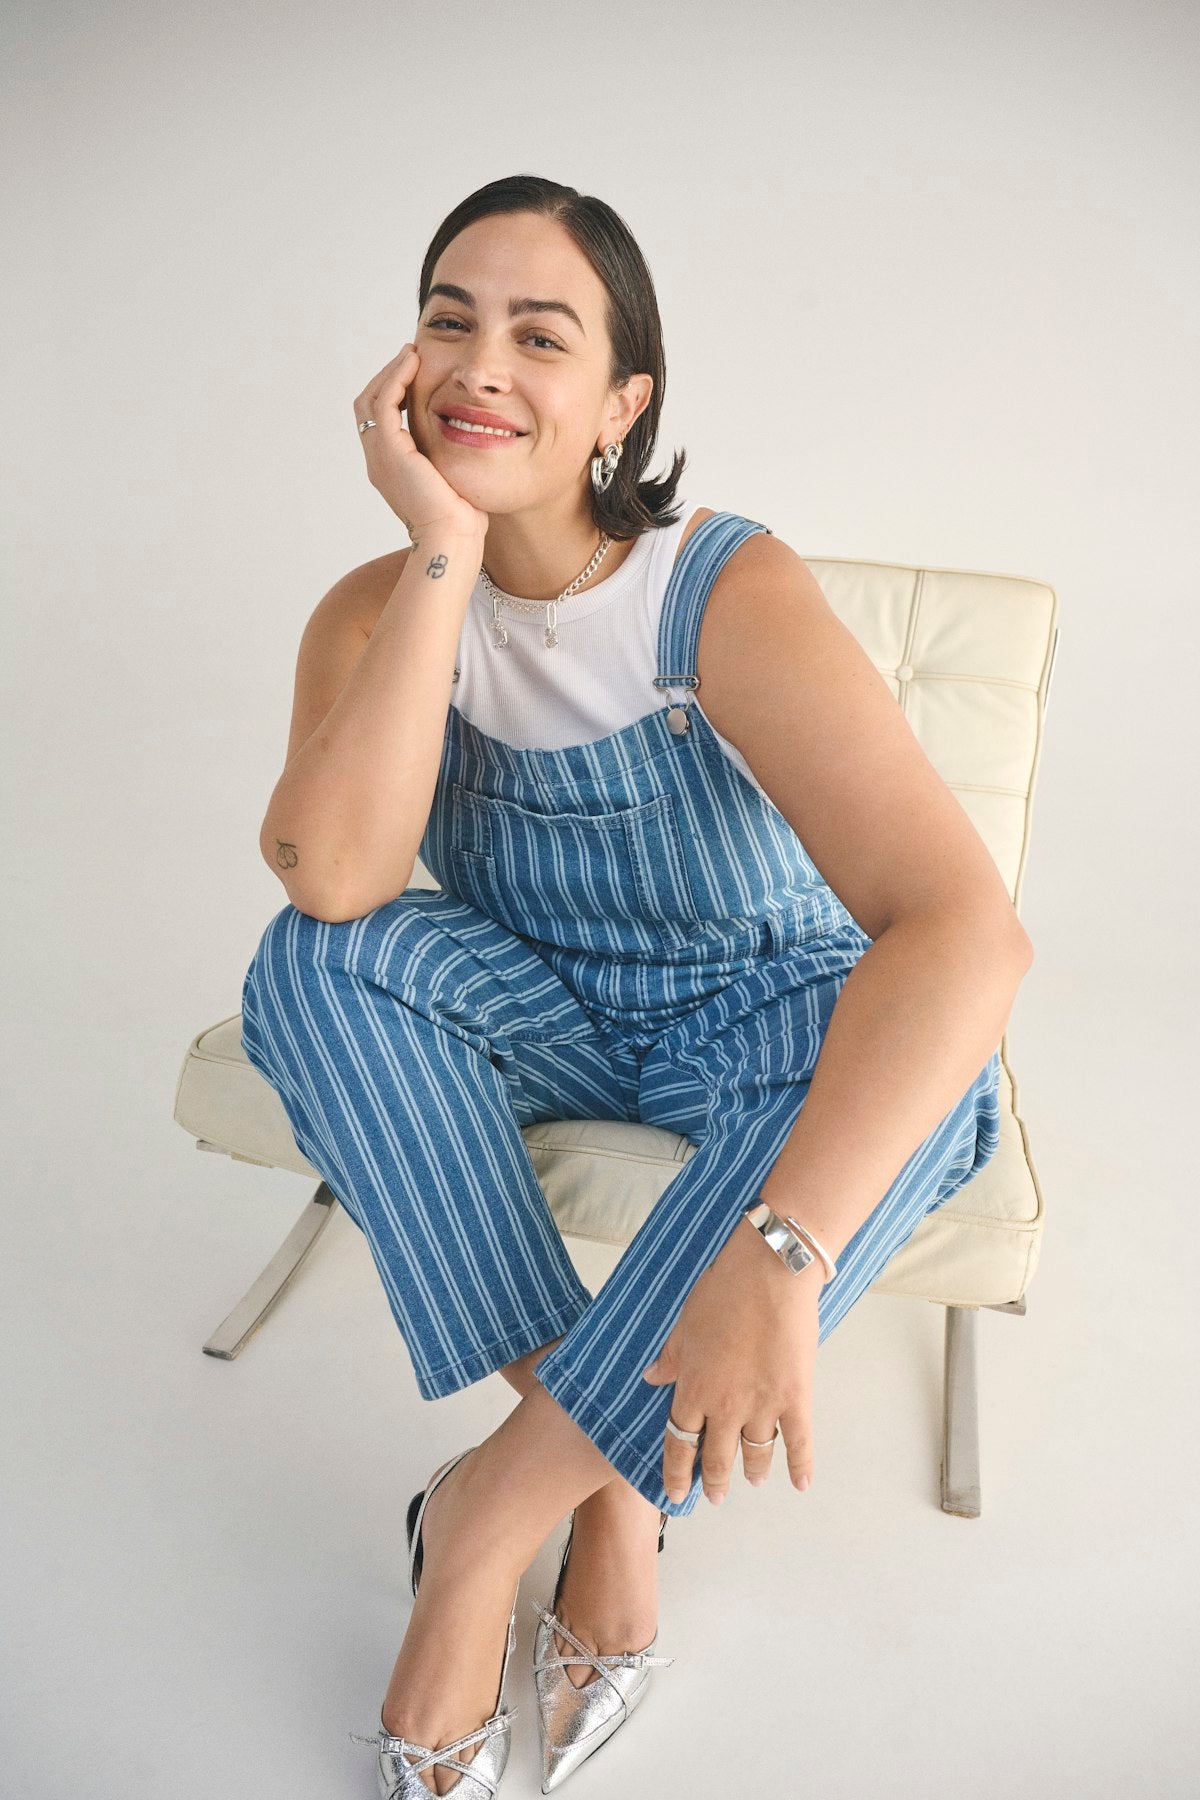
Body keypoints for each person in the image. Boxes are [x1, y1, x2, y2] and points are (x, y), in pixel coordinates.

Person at [238, 174, 1032, 1797]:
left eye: (542, 336)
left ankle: (481, 1526)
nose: (481, 365)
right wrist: (442, 550)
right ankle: (608, 1487)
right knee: (314, 965)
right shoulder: (375, 611)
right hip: (536, 1001)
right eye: (450, 320)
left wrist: (779, 1253)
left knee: (918, 1071)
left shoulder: (716, 589)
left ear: (622, 404)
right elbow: (335, 881)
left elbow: (965, 930)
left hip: (760, 1014)